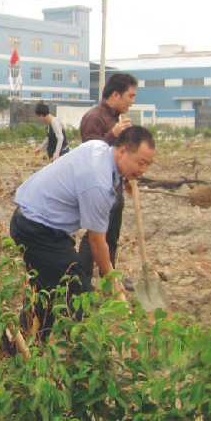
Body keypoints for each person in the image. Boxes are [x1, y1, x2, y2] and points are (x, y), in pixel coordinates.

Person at [10, 126, 155, 339]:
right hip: (37, 229)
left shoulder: (100, 149)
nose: (143, 171)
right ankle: (83, 356)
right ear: (122, 151)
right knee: (78, 295)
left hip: (32, 219)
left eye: (148, 165)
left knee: (46, 294)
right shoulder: (98, 184)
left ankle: (25, 351)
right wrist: (113, 283)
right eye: (140, 163)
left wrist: (123, 179)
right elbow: (97, 242)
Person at [78, 73, 138, 287]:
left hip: (114, 184)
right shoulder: (94, 117)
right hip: (98, 187)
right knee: (94, 235)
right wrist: (112, 133)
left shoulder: (115, 118)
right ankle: (82, 281)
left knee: (111, 234)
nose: (132, 101)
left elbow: (118, 156)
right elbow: (90, 154)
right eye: (130, 96)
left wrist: (127, 179)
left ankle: (109, 279)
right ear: (115, 94)